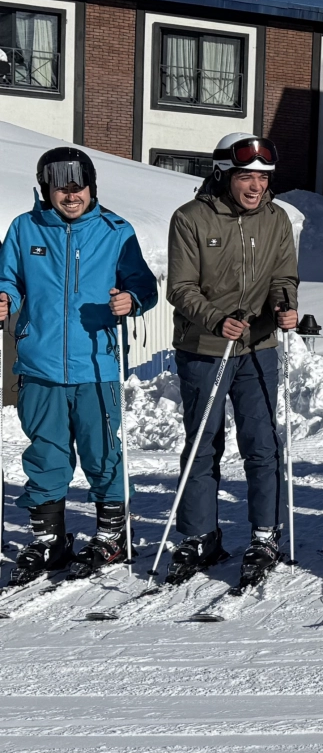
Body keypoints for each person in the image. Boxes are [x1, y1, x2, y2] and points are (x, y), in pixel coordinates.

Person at [0, 148, 158, 585]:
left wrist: (133, 300)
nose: (70, 196)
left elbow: (144, 286)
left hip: (97, 364)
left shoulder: (115, 230)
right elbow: (8, 278)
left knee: (102, 450)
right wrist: (6, 299)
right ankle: (50, 539)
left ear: (91, 188)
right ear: (45, 189)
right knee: (45, 453)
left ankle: (112, 534)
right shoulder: (24, 228)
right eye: (60, 188)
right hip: (40, 363)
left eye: (78, 187)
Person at [165, 133, 300, 587]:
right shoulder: (190, 219)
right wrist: (216, 319)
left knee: (261, 445)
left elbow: (284, 275)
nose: (256, 186)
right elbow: (180, 288)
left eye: (262, 178)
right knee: (203, 444)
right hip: (204, 348)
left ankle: (265, 534)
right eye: (246, 176)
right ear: (223, 175)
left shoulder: (277, 220)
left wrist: (284, 305)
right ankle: (200, 534)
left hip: (258, 348)